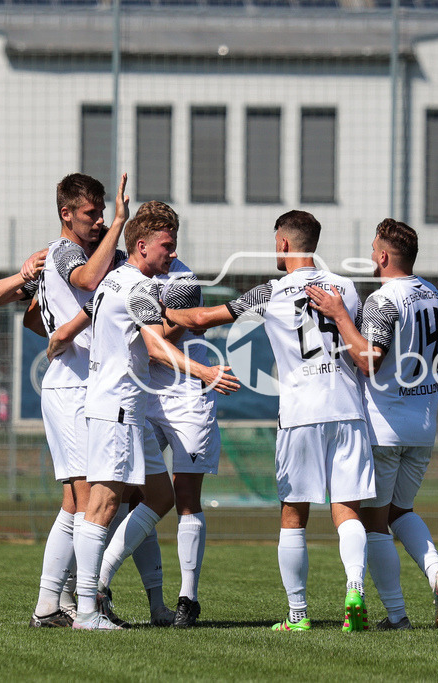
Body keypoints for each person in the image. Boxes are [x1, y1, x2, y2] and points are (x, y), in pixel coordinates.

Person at [164, 210, 375, 633]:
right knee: (347, 509)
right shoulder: (349, 288)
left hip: (301, 412)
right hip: (349, 408)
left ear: (283, 244)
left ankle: (298, 614)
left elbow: (205, 318)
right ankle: (355, 586)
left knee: (293, 513)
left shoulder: (270, 292)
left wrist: (160, 311)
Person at [72, 203, 239, 630]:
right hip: (127, 403)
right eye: (166, 244)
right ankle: (87, 602)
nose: (173, 251)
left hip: (145, 401)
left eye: (174, 243)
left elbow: (163, 326)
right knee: (106, 503)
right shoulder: (137, 287)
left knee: (163, 497)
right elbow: (155, 342)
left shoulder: (134, 279)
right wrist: (207, 366)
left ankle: (157, 600)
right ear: (142, 245)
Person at [0, 172, 132, 628]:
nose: (101, 220)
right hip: (70, 388)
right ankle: (72, 604)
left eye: (104, 211)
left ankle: (58, 602)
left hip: (94, 386)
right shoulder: (64, 252)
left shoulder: (98, 251)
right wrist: (27, 272)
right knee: (88, 500)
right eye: (92, 213)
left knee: (87, 501)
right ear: (67, 214)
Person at [306, 218, 438, 630]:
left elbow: (369, 361)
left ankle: (397, 616)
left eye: (374, 249)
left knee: (375, 522)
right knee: (400, 511)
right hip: (423, 423)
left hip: (385, 425)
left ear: (386, 256)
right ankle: (437, 575)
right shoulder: (433, 294)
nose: (371, 256)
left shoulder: (383, 299)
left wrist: (339, 315)